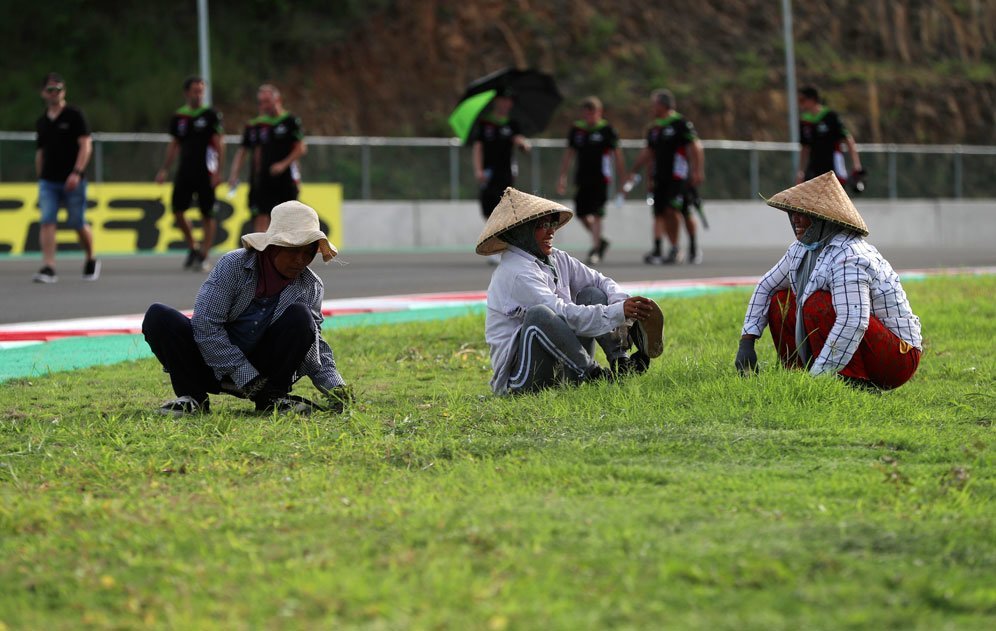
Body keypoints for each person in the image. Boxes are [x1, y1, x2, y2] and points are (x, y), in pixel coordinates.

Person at [142, 201, 351, 416]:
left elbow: (314, 343)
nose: (300, 260)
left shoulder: (310, 286)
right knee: (159, 316)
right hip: (209, 364)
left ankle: (272, 400)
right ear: (273, 246)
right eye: (293, 250)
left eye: (308, 252)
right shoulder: (233, 265)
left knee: (301, 318)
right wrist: (247, 379)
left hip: (264, 372)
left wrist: (336, 388)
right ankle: (192, 399)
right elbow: (205, 325)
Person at [735, 172, 922, 390]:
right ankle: (796, 376)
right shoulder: (800, 250)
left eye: (803, 213)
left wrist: (818, 380)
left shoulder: (850, 256)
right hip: (865, 343)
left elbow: (853, 321)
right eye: (793, 212)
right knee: (781, 300)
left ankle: (852, 382)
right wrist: (747, 341)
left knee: (818, 303)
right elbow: (766, 286)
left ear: (823, 218)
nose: (795, 219)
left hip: (898, 358)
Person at [478, 187, 664, 395]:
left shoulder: (555, 258)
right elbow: (562, 315)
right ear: (522, 231)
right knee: (539, 314)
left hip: (564, 368)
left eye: (553, 223)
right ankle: (594, 375)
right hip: (521, 381)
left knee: (592, 294)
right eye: (542, 225)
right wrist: (617, 311)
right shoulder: (516, 272)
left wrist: (623, 309)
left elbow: (600, 281)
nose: (551, 231)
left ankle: (621, 363)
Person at [623, 89, 705, 265]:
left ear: (662, 105)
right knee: (662, 212)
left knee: (678, 210)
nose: (651, 107)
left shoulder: (680, 123)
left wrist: (697, 170)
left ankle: (692, 246)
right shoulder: (654, 128)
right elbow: (649, 152)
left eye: (654, 104)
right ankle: (674, 247)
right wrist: (636, 170)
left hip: (679, 176)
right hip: (660, 177)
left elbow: (696, 146)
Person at [33, 72, 99, 283]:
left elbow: (86, 145)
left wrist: (77, 172)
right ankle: (49, 266)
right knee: (47, 220)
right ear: (44, 93)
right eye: (51, 90)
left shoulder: (74, 115)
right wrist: (40, 176)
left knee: (77, 221)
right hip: (48, 180)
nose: (55, 93)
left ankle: (90, 257)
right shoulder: (42, 121)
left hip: (72, 178)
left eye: (59, 89)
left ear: (64, 91)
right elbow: (41, 152)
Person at [155, 76, 225, 272]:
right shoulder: (179, 117)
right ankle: (193, 245)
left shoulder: (211, 115)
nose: (199, 94)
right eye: (195, 90)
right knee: (177, 210)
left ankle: (204, 254)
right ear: (187, 93)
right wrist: (164, 169)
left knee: (207, 213)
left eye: (201, 90)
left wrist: (218, 171)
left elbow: (219, 143)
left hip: (206, 171)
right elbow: (174, 144)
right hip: (185, 171)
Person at [556, 96, 625, 265]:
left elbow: (617, 155)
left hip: (601, 179)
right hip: (582, 178)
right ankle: (600, 241)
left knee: (597, 213)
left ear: (599, 113)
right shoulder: (577, 130)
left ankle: (595, 249)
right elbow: (569, 154)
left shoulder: (607, 130)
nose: (588, 117)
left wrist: (622, 178)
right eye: (585, 114)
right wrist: (562, 176)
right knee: (580, 213)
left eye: (591, 114)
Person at [253, 84, 306, 232]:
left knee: (289, 214)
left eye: (267, 101)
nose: (264, 106)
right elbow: (258, 151)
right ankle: (260, 252)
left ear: (277, 100)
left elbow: (301, 148)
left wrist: (283, 165)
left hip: (286, 176)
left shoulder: (290, 121)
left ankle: (292, 251)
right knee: (262, 214)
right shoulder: (260, 124)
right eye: (261, 102)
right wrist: (258, 172)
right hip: (265, 176)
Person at [472, 88, 531, 220]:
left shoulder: (512, 124)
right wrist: (478, 170)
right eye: (503, 100)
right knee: (487, 210)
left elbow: (521, 142)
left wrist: (523, 144)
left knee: (504, 207)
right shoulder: (485, 123)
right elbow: (478, 147)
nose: (506, 104)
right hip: (488, 172)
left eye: (509, 101)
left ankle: (504, 238)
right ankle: (496, 237)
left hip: (505, 172)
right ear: (496, 101)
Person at [797, 86, 864, 190]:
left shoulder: (830, 116)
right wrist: (801, 171)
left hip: (832, 164)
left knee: (835, 195)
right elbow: (805, 147)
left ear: (812, 100)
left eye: (802, 100)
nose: (800, 104)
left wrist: (856, 165)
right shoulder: (805, 121)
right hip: (814, 165)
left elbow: (848, 139)